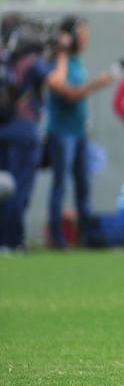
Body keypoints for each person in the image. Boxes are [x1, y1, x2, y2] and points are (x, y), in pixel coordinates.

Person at [45, 18, 115, 250]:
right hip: (61, 134)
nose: (86, 39)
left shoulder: (76, 62)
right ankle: (57, 238)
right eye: (82, 34)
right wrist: (97, 83)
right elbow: (69, 93)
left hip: (78, 132)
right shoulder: (58, 63)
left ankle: (86, 236)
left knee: (83, 186)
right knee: (60, 185)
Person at [0, 16, 52, 254]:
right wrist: (58, 56)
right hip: (24, 129)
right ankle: (12, 240)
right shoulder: (32, 61)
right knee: (19, 188)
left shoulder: (5, 59)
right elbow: (55, 82)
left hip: (5, 128)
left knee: (4, 187)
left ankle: (5, 239)